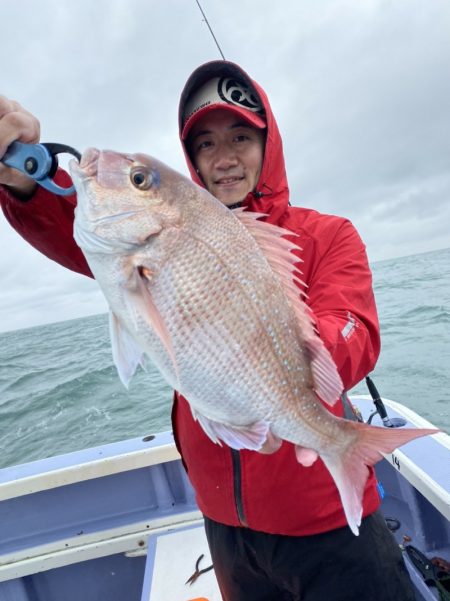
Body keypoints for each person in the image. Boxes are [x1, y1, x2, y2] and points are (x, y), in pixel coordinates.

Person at [0, 62, 415, 600]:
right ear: (191, 159)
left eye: (240, 137)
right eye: (205, 144)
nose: (223, 158)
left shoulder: (328, 235)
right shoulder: (169, 232)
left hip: (326, 519)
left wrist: (287, 364)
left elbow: (354, 331)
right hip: (223, 521)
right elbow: (83, 232)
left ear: (270, 143)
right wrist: (22, 181)